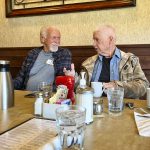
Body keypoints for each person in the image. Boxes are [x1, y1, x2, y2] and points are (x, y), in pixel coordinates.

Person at [81, 25, 149, 99]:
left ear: (111, 40)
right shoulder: (88, 63)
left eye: (97, 40)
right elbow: (80, 88)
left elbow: (143, 86)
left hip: (122, 106)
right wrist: (73, 78)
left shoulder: (130, 60)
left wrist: (118, 86)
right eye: (93, 40)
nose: (93, 44)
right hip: (93, 106)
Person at [14, 26, 74, 91]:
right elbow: (20, 78)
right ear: (43, 39)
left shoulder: (63, 54)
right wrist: (7, 84)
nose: (57, 41)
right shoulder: (32, 53)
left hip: (48, 96)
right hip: (26, 95)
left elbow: (61, 84)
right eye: (54, 38)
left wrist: (44, 92)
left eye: (58, 38)